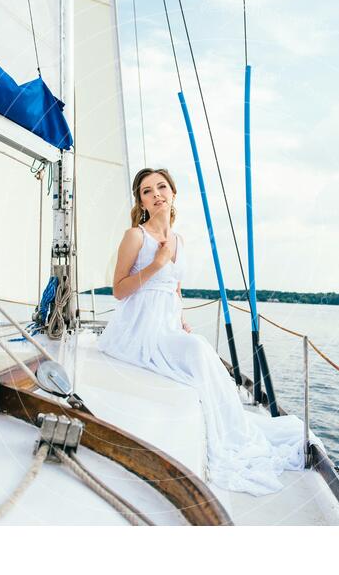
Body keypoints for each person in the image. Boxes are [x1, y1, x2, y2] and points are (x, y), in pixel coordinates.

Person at [98, 168, 318, 497]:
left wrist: (181, 320)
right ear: (140, 201)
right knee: (200, 350)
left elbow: (174, 290)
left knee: (201, 351)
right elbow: (118, 290)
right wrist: (155, 264)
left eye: (162, 187)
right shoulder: (135, 237)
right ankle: (231, 435)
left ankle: (234, 429)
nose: (156, 193)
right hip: (138, 328)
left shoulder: (180, 241)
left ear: (172, 194)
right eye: (147, 190)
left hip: (167, 324)